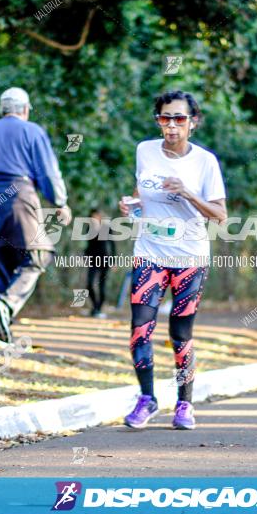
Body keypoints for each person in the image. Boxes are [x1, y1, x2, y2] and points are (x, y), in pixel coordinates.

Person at [118, 90, 227, 430]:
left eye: (180, 118)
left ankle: (184, 404)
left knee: (180, 334)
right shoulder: (144, 150)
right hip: (149, 253)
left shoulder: (205, 162)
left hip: (189, 257)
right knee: (140, 330)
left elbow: (220, 216)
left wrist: (188, 193)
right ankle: (147, 399)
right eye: (165, 118)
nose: (172, 125)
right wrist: (131, 205)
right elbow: (142, 191)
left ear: (193, 123)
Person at [0, 87, 71, 347]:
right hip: (19, 197)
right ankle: (7, 304)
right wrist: (60, 201)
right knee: (38, 255)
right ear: (26, 110)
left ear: (2, 109)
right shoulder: (33, 132)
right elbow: (48, 173)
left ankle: (1, 332)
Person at [85, 208, 115, 318]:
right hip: (92, 259)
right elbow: (89, 244)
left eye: (96, 216)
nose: (94, 218)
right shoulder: (89, 227)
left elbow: (112, 244)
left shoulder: (107, 227)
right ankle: (95, 306)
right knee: (89, 284)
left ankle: (98, 308)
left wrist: (113, 261)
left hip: (105, 259)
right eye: (92, 216)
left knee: (102, 285)